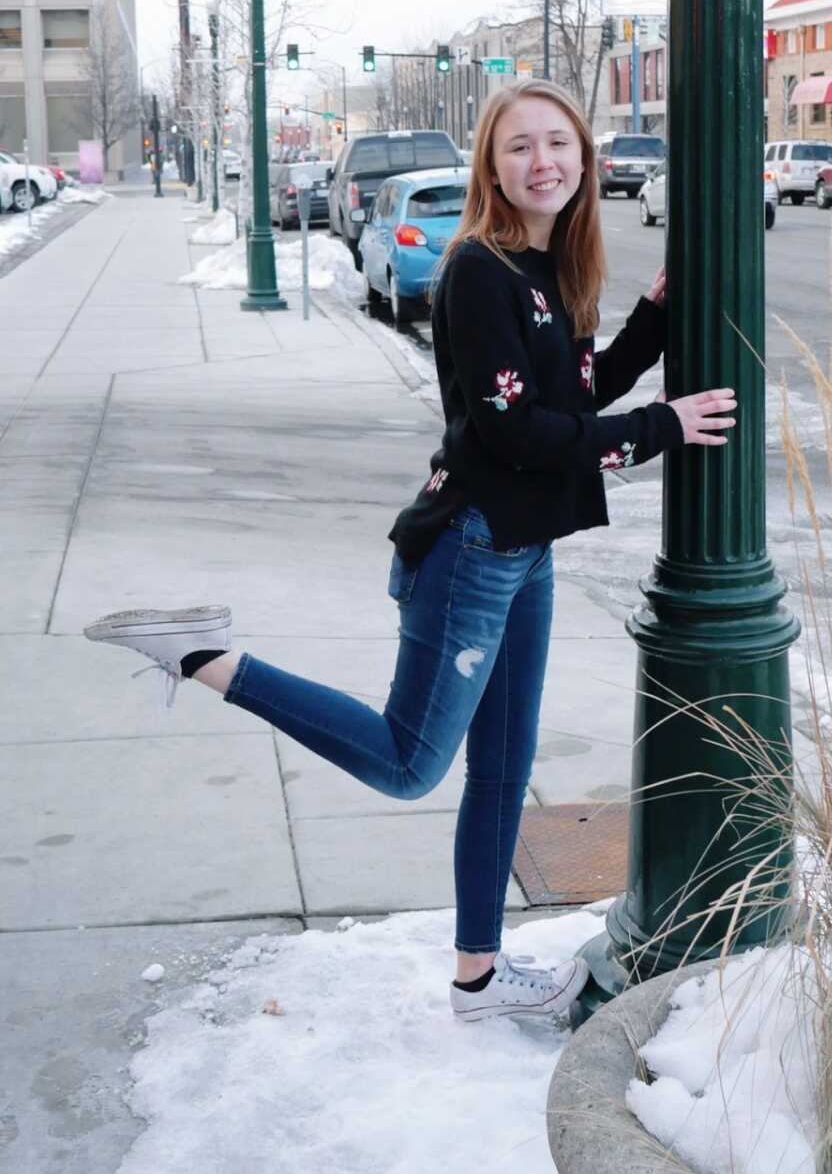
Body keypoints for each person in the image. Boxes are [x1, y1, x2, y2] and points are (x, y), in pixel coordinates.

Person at [84, 79, 737, 1024]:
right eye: (519, 146)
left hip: (526, 549)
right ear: (491, 164)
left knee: (505, 767)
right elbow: (519, 431)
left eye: (560, 142)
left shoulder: (550, 264)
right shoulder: (479, 268)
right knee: (407, 761)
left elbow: (578, 390)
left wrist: (657, 319)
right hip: (471, 551)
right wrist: (665, 427)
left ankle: (477, 977)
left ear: (586, 158)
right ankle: (198, 652)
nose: (542, 160)